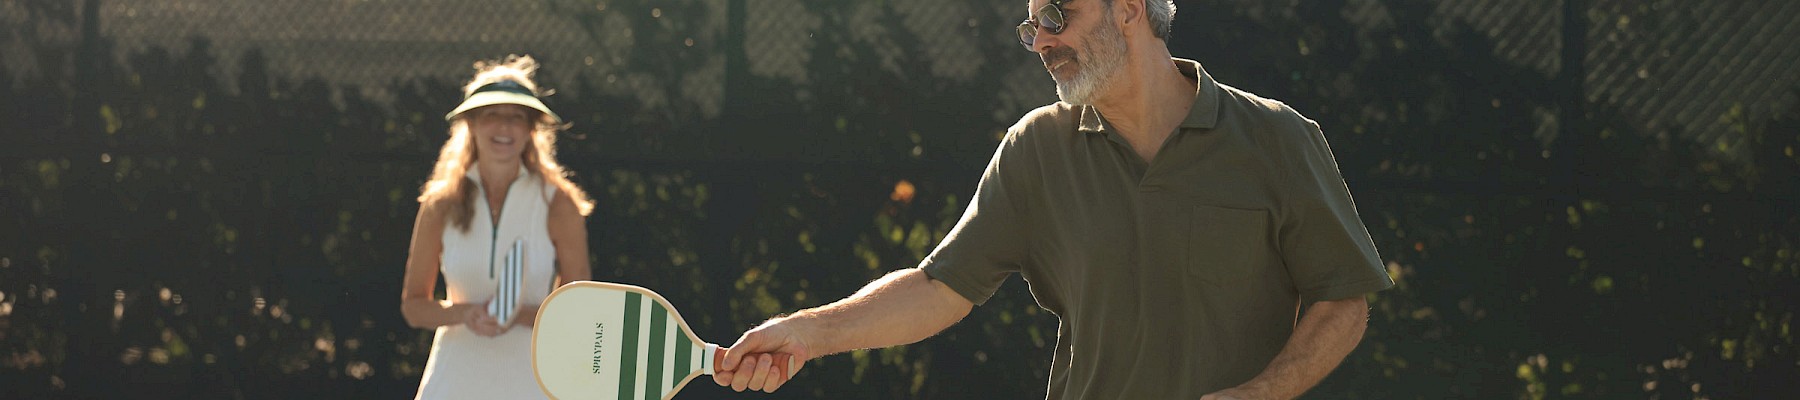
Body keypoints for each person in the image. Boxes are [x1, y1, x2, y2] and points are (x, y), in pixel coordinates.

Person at [712, 0, 1393, 398]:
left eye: (1057, 16)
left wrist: (1258, 397)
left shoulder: (1276, 137)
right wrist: (805, 333)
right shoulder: (1037, 148)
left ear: (1129, 8)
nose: (1041, 42)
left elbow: (1343, 300)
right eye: (1031, 25)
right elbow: (938, 287)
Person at [400, 55, 595, 399]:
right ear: (471, 124)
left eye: (517, 117)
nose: (504, 128)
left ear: (532, 129)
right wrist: (466, 314)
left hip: (533, 382)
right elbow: (414, 306)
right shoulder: (440, 203)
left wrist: (517, 316)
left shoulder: (558, 202)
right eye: (492, 115)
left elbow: (576, 311)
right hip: (452, 381)